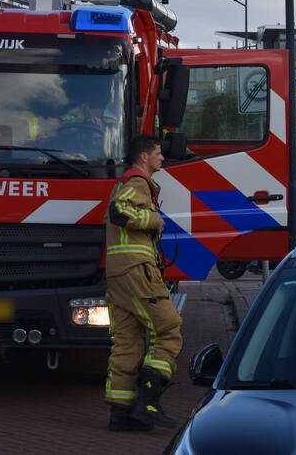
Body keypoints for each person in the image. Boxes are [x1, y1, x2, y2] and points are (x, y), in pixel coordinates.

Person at [103, 135, 182, 431]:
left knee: (127, 343)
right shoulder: (137, 181)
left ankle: (120, 414)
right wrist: (154, 220)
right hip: (137, 269)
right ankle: (149, 403)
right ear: (144, 157)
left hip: (117, 274)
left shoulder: (123, 182)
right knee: (168, 329)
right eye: (158, 153)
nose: (162, 158)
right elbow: (120, 213)